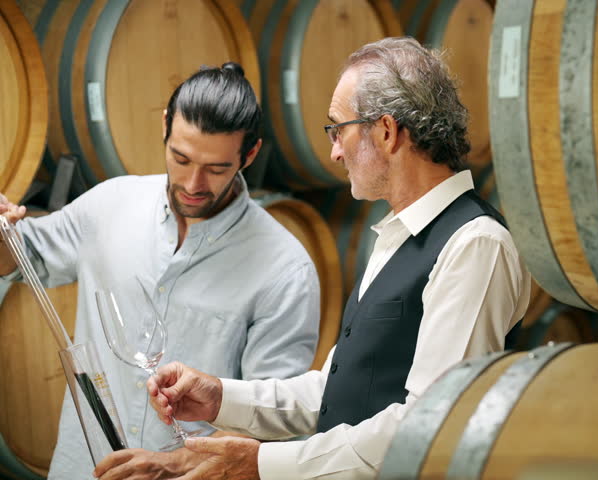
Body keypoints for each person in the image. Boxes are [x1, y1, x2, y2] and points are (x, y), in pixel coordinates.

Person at [107, 37, 531, 480]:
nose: (334, 151)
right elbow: (334, 390)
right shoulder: (396, 234)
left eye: (338, 129)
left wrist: (259, 463)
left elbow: (430, 426)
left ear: (386, 131)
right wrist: (220, 397)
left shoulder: (475, 244)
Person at [0, 63, 320, 479]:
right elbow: (23, 258)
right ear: (166, 126)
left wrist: (171, 467)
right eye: (181, 158)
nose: (192, 182)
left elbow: (273, 421)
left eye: (217, 169)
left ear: (250, 154)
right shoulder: (110, 204)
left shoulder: (286, 270)